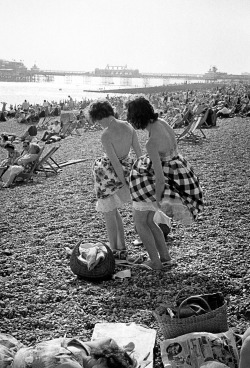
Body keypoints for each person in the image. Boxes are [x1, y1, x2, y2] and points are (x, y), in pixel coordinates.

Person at [127, 96, 203, 270]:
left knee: (140, 222)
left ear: (137, 118)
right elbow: (168, 156)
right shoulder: (162, 122)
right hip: (179, 172)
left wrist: (158, 200)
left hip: (162, 182)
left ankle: (155, 262)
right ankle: (165, 257)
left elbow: (160, 178)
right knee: (149, 221)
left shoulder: (151, 143)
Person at [89, 99, 142, 260]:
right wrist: (139, 175)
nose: (98, 124)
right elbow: (139, 154)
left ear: (100, 117)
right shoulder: (128, 126)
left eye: (97, 121)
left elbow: (114, 163)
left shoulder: (106, 134)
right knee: (114, 211)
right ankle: (122, 246)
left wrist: (125, 184)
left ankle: (113, 250)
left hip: (106, 175)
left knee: (109, 212)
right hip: (127, 168)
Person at [6, 334, 137, 368]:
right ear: (101, 360)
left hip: (14, 350)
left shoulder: (83, 347)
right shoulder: (72, 366)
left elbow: (108, 340)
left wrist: (121, 352)